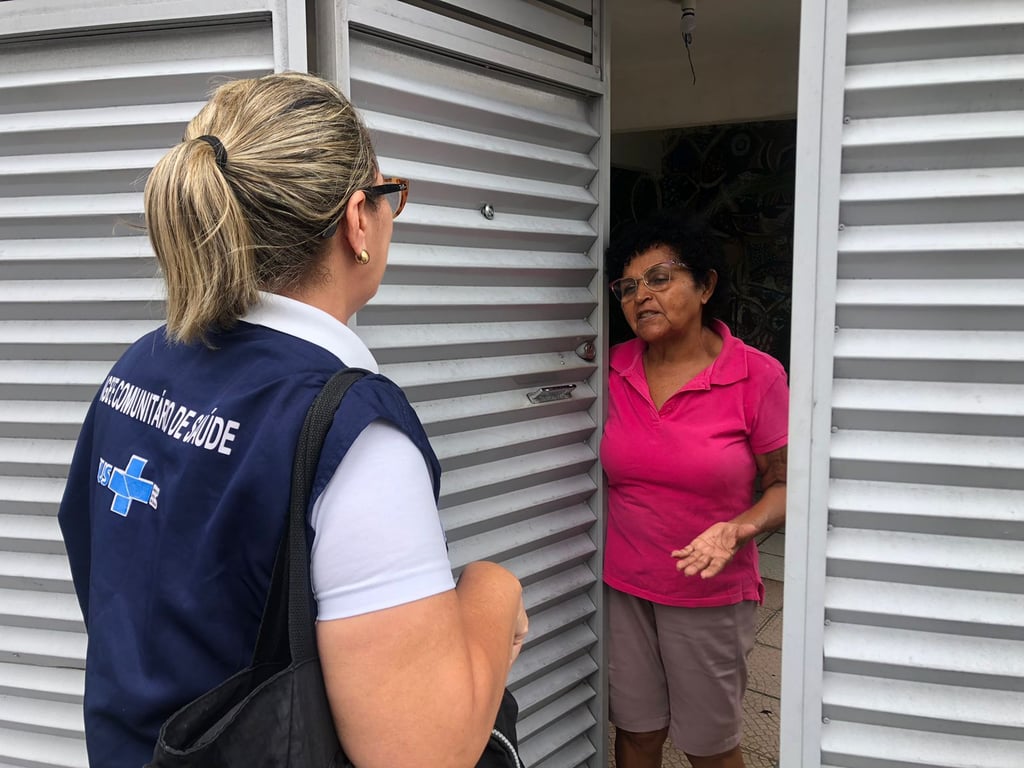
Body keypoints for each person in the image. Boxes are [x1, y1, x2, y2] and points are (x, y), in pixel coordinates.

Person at [57, 72, 528, 768]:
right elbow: (423, 753)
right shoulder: (351, 433)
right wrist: (494, 591)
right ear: (357, 220)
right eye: (388, 195)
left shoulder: (140, 367)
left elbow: (108, 567)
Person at [600, 209, 788, 768]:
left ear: (705, 285)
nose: (641, 296)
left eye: (660, 278)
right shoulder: (610, 371)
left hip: (710, 594)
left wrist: (739, 528)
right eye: (628, 286)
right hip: (625, 587)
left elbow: (784, 485)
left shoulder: (757, 375)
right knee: (636, 733)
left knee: (708, 748)